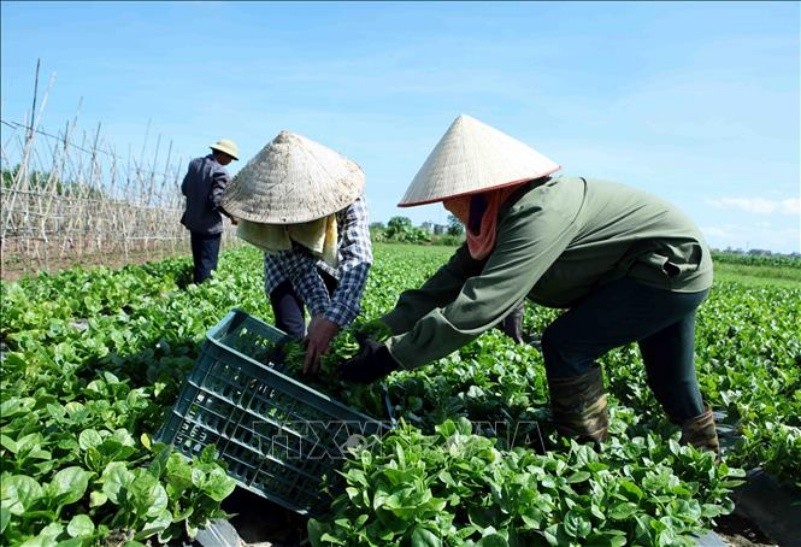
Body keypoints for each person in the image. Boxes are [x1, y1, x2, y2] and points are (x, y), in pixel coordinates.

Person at [340, 114, 719, 456]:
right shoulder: (506, 214)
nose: (446, 208)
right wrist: (381, 330)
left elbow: (484, 303)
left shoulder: (537, 213)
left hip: (667, 268)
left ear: (481, 191)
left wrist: (391, 356)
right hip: (667, 266)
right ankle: (705, 455)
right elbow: (447, 283)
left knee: (568, 344)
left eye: (451, 197)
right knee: (671, 374)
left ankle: (587, 453)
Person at [221, 130, 373, 374]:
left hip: (329, 260)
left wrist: (331, 318)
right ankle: (285, 379)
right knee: (290, 332)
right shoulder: (270, 209)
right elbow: (300, 269)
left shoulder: (346, 191)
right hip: (282, 265)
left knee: (333, 336)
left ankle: (324, 382)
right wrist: (320, 312)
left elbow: (359, 255)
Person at [180, 138, 239, 284]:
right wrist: (232, 216)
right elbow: (216, 200)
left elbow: (185, 189)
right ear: (223, 154)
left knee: (198, 260)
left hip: (193, 222)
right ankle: (203, 293)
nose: (230, 161)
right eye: (230, 158)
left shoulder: (194, 164)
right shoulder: (220, 172)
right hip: (209, 227)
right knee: (207, 264)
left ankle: (195, 287)